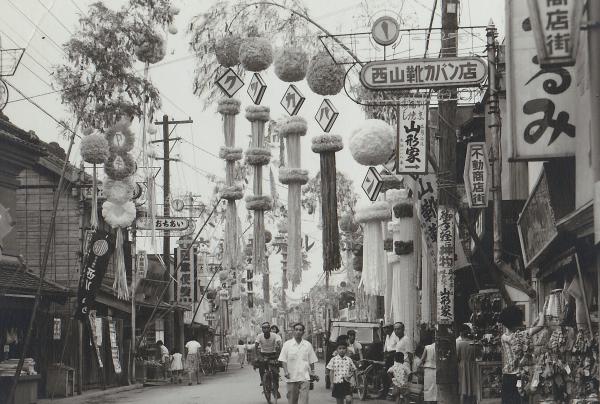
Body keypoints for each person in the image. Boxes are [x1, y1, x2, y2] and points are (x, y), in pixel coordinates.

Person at [499, 305, 545, 404]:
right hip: (520, 376)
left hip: (507, 376)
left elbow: (524, 332)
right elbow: (541, 326)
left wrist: (534, 322)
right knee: (521, 400)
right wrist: (542, 314)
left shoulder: (503, 337)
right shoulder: (523, 334)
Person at [279, 322, 319, 404]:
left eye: (300, 330)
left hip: (305, 377)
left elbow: (312, 360)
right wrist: (286, 371)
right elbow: (283, 360)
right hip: (291, 377)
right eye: (296, 330)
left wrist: (313, 373)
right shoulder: (287, 344)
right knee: (292, 401)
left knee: (304, 401)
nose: (298, 331)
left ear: (303, 332)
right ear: (293, 331)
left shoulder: (308, 345)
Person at [255, 322, 283, 389]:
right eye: (264, 328)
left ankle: (275, 386)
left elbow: (279, 344)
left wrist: (282, 353)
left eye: (267, 328)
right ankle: (262, 380)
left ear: (269, 329)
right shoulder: (259, 336)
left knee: (275, 372)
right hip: (263, 354)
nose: (266, 329)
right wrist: (258, 356)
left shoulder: (274, 335)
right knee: (261, 367)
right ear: (262, 329)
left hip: (273, 354)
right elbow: (256, 346)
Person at [456, 324, 477, 404]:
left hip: (462, 366)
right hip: (472, 366)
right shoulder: (473, 343)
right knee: (472, 387)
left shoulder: (459, 344)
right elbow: (478, 356)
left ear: (461, 333)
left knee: (463, 388)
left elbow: (457, 357)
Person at [421, 338, 436, 403]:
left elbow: (422, 359)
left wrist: (418, 366)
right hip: (436, 369)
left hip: (428, 369)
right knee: (435, 389)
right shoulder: (440, 348)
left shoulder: (427, 347)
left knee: (428, 388)